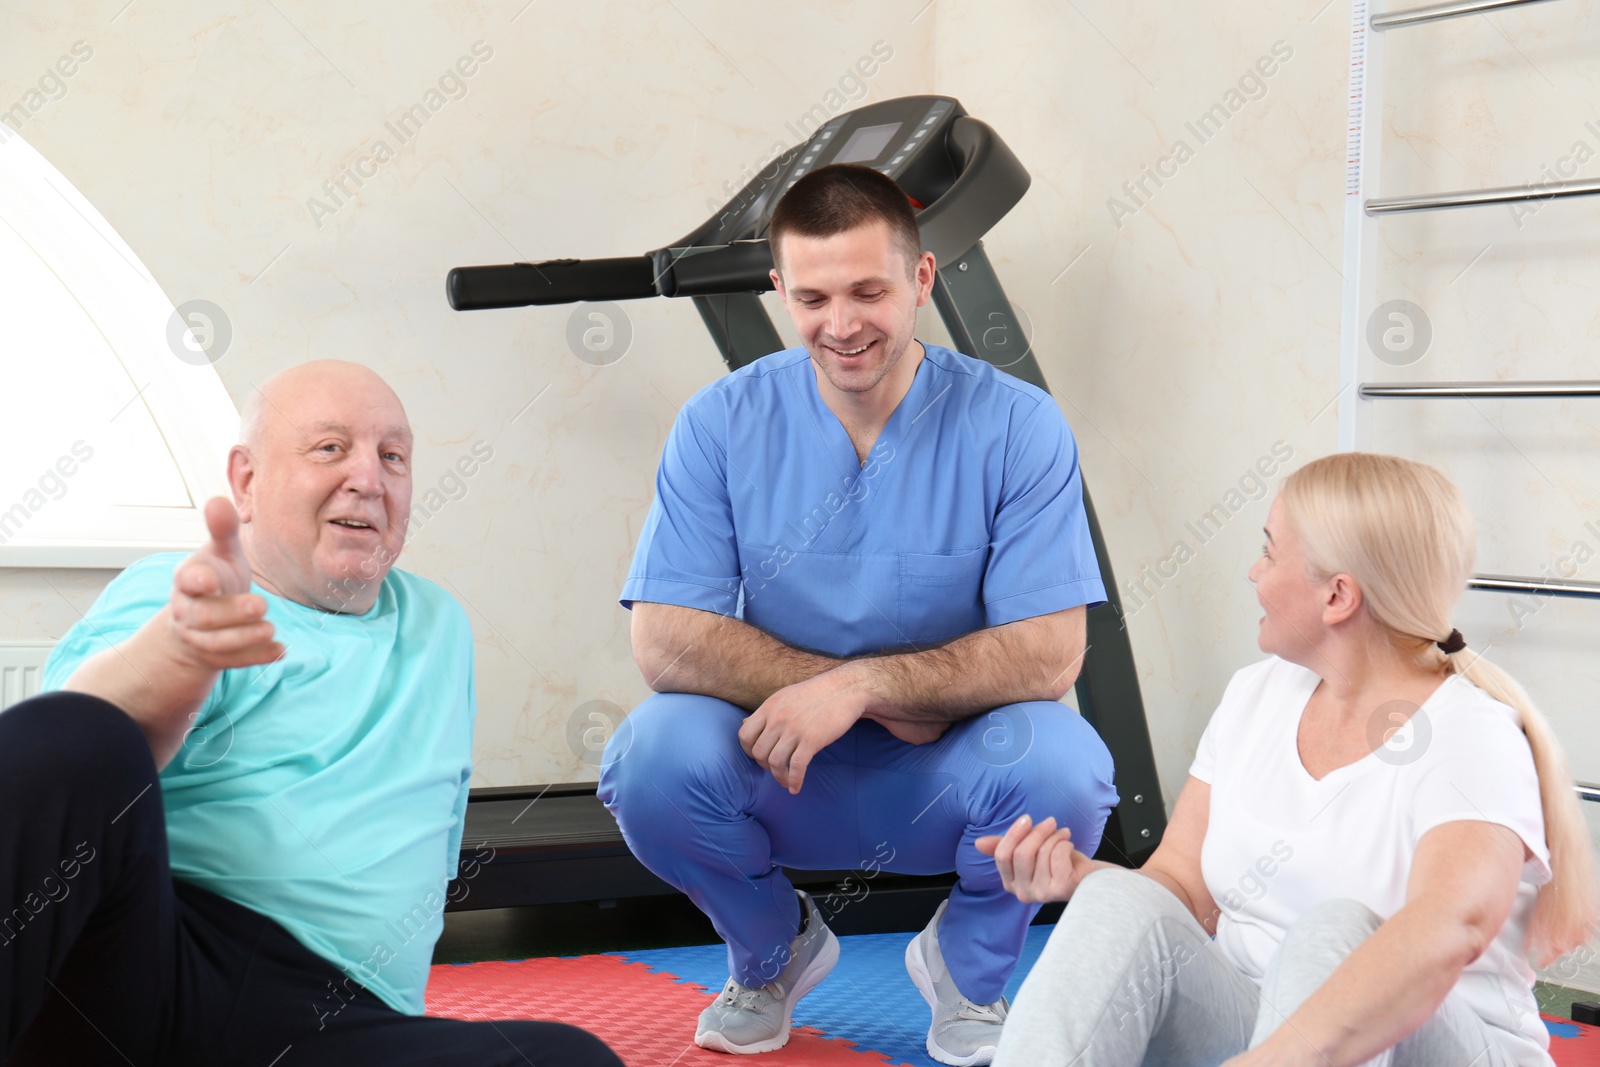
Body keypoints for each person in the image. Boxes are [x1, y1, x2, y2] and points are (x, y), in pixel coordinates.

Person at [597, 163, 1119, 1066]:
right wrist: (836, 692)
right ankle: (770, 952)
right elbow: (665, 637)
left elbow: (1049, 655)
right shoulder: (719, 423)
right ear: (780, 291)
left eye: (869, 290)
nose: (842, 325)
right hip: (786, 760)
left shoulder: (1020, 426)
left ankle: (968, 967)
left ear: (920, 281)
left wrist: (867, 685)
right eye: (814, 296)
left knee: (1070, 766)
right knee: (650, 755)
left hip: (946, 774)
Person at [0, 361, 620, 1067]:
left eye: (393, 457)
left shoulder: (438, 624)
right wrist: (180, 650)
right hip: (152, 970)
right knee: (82, 730)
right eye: (329, 447)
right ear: (246, 481)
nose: (369, 477)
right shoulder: (182, 590)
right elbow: (62, 761)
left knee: (566, 1058)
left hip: (341, 1021)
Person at [979, 452, 1599, 1067]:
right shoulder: (1257, 694)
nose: (1253, 571)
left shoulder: (1473, 737)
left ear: (1337, 596)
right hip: (1261, 1033)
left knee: (1334, 934)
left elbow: (1447, 930)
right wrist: (1076, 881)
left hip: (1435, 1047)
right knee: (1120, 902)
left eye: (1271, 552)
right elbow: (1180, 891)